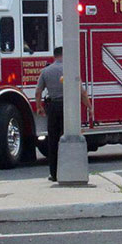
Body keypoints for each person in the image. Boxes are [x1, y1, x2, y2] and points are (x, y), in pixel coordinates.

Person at [35, 47, 92, 182]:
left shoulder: (46, 71)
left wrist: (39, 107)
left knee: (53, 140)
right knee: (68, 137)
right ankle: (68, 171)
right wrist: (89, 107)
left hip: (53, 107)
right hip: (69, 107)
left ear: (54, 56)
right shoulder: (71, 70)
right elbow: (82, 92)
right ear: (64, 55)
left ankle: (54, 174)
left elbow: (38, 91)